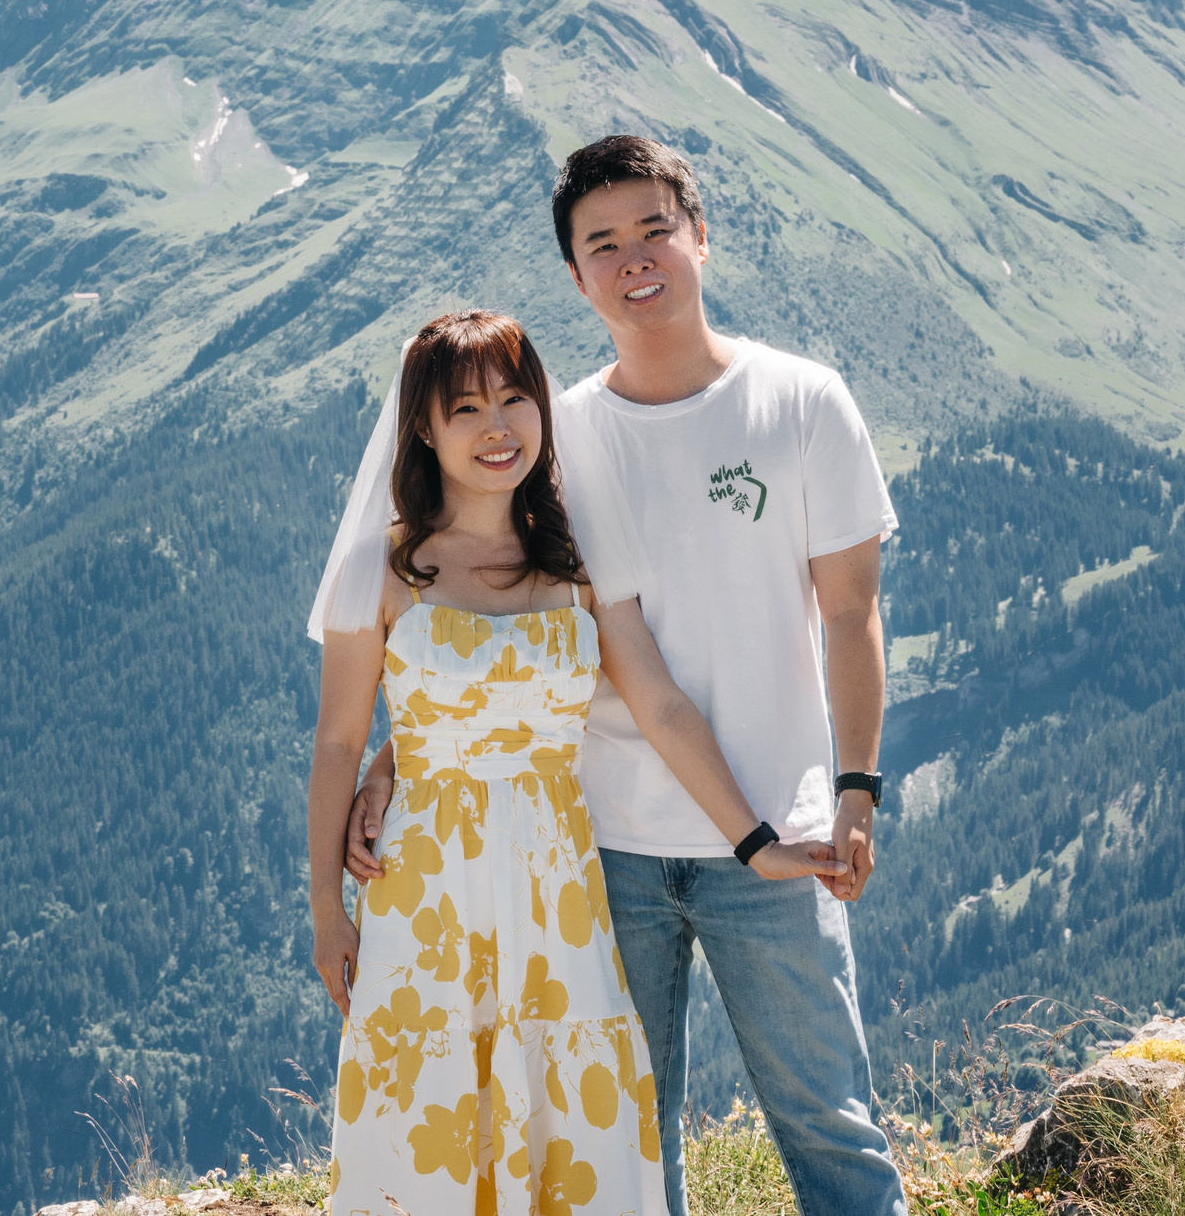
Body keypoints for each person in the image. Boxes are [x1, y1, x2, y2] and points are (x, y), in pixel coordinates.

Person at [343, 139, 906, 1216]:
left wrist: (855, 789)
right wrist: (393, 756)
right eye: (602, 242)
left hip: (774, 839)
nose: (633, 257)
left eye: (653, 228)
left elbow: (850, 612)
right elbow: (492, 617)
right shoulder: (562, 436)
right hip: (594, 845)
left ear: (700, 233)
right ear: (574, 275)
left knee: (829, 1120)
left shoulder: (802, 400)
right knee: (615, 1141)